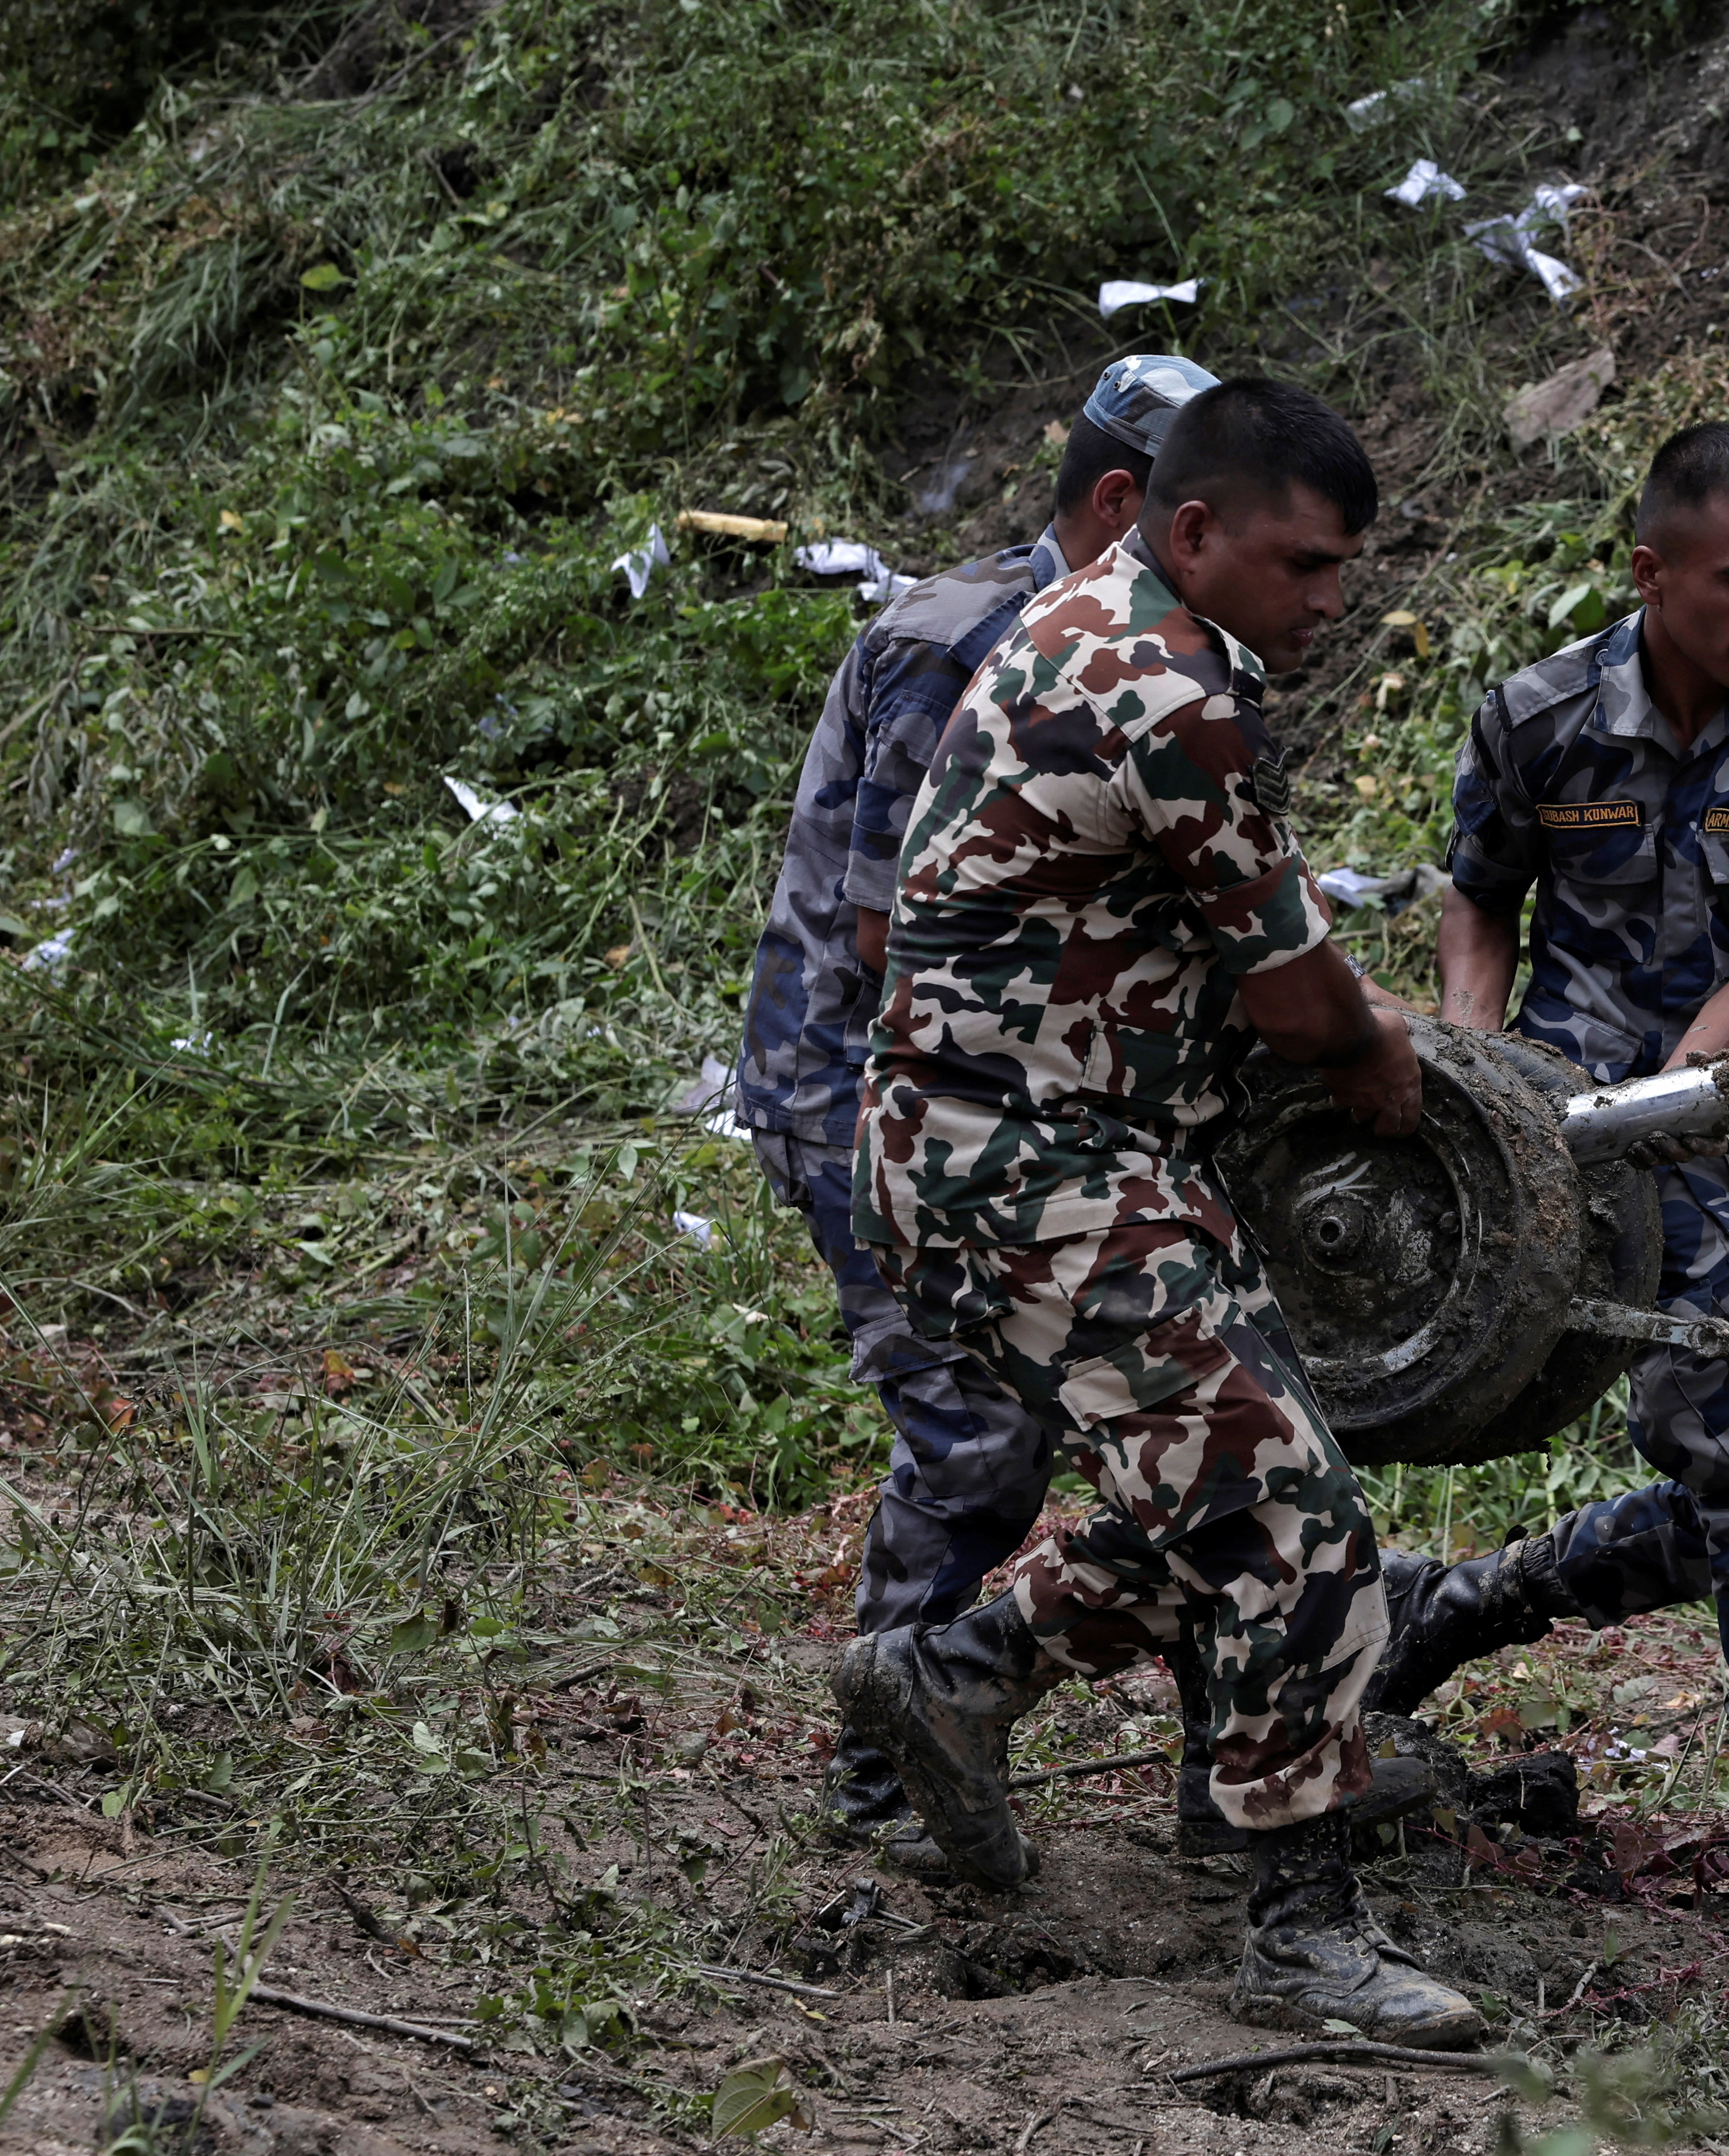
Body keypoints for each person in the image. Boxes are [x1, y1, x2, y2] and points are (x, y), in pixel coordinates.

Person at [833, 380, 1482, 2045]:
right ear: (1192, 531)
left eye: (1347, 571)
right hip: (1023, 1158)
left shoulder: (1104, 624)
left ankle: (958, 1673)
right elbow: (1298, 1000)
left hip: (1014, 1146)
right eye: (1305, 565)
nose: (1331, 603)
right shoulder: (1166, 685)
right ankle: (1294, 1923)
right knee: (1286, 1504)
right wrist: (1387, 1062)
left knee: (1210, 1479)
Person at [1368, 423, 1729, 1947]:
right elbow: (1479, 898)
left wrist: (1665, 1100)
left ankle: (1462, 1604)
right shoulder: (1536, 716)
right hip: (1579, 1166)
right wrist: (1480, 1085)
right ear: (1651, 573)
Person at [734, 355, 1241, 1868]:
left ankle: (1236, 1776)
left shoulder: (1134, 656)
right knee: (974, 1437)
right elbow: (908, 944)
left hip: (1028, 1096)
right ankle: (883, 1777)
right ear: (1118, 508)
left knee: (1177, 1402)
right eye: (1205, 528)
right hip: (868, 1090)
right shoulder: (967, 644)